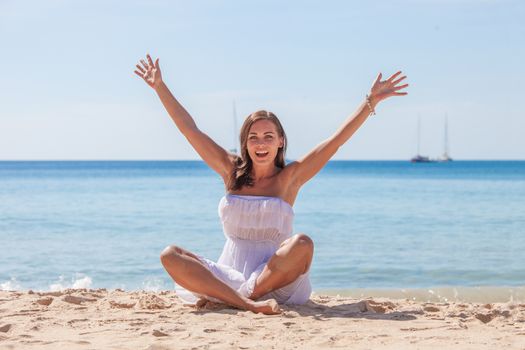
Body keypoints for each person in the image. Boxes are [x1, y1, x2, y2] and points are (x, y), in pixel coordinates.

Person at [134, 54, 408, 315]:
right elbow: (189, 129)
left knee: (302, 243)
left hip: (275, 279)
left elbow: (335, 142)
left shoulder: (290, 177)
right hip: (229, 276)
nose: (261, 143)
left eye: (268, 136)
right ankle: (246, 303)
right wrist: (159, 87)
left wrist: (370, 101)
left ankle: (244, 299)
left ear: (280, 141)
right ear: (245, 143)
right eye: (253, 137)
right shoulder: (230, 170)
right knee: (170, 255)